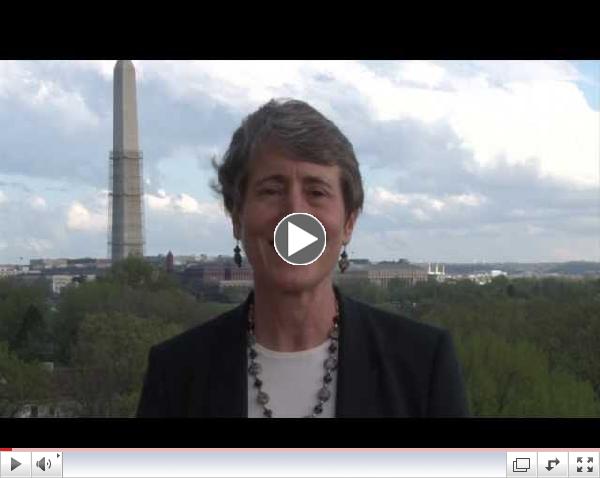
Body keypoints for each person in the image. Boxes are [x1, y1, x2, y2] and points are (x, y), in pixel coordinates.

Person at [137, 98, 469, 417]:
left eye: (316, 192)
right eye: (271, 190)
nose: (295, 214)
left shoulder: (422, 366)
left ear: (348, 223)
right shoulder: (177, 374)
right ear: (237, 217)